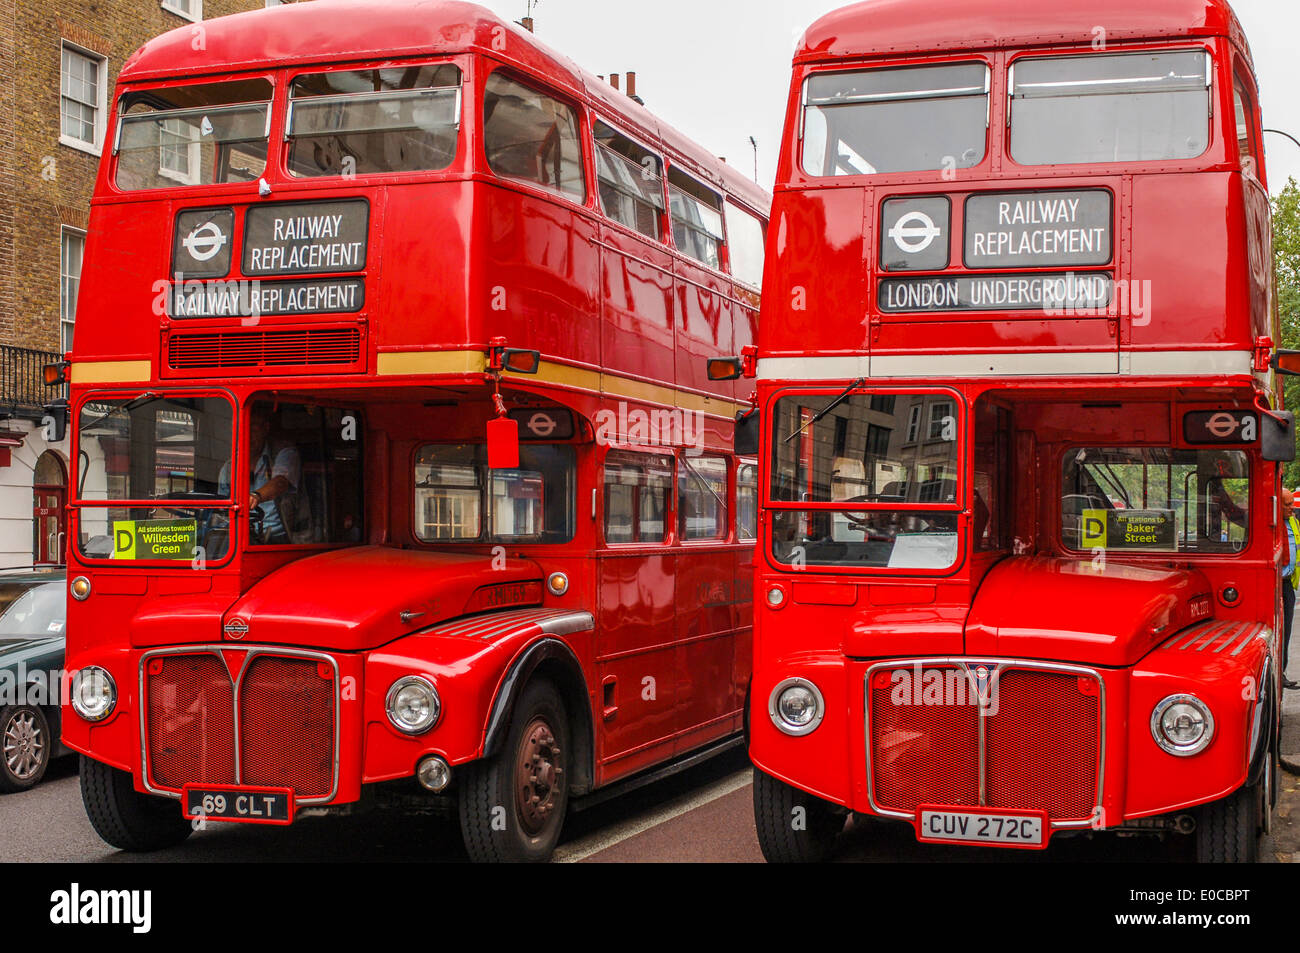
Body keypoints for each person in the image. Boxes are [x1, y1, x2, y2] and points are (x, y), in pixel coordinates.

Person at [219, 403, 302, 545]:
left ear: (266, 429)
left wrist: (256, 496)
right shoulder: (229, 467)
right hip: (241, 537)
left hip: (281, 538)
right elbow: (221, 508)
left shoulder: (284, 453)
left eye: (254, 429)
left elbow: (281, 482)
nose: (249, 435)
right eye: (244, 429)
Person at [1281, 488, 1299, 690]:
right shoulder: (1269, 523)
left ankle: (1281, 673)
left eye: (1292, 503)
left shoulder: (1293, 521)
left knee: (1286, 632)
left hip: (1288, 585)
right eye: (1287, 504)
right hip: (1272, 584)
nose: (1291, 508)